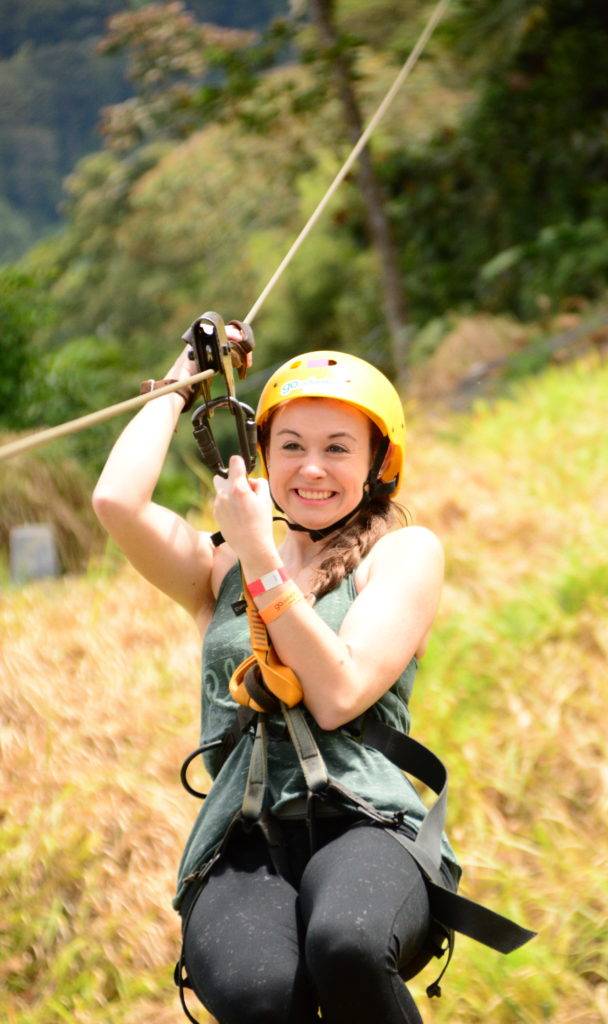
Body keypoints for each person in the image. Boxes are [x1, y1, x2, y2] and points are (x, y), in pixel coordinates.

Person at [92, 333, 460, 1024]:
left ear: (378, 464)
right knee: (260, 995)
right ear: (262, 456)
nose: (311, 468)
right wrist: (184, 380)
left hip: (366, 823)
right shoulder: (219, 565)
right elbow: (116, 501)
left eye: (337, 448)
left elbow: (339, 695)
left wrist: (261, 553)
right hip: (240, 839)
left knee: (346, 944)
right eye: (290, 445)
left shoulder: (401, 554)